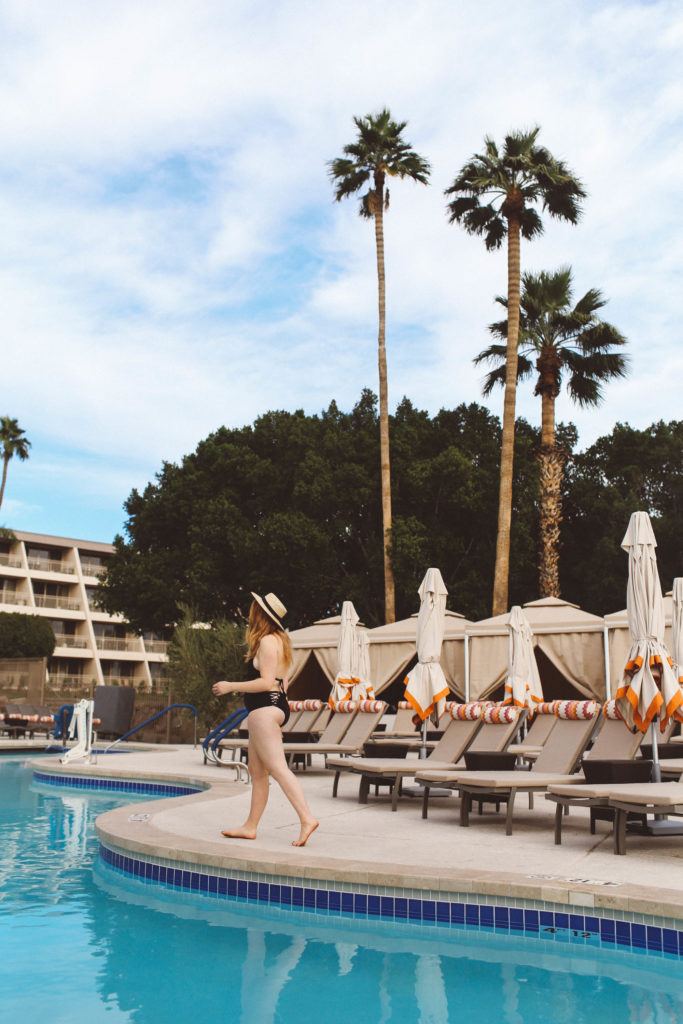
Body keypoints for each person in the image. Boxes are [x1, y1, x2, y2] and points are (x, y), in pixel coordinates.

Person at [212, 591, 319, 847]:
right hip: (270, 708)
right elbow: (284, 684)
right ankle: (250, 826)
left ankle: (307, 818)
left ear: (260, 615)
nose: (251, 612)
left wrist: (230, 686)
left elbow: (267, 682)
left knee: (278, 768)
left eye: (254, 609)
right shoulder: (279, 641)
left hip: (265, 709)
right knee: (257, 772)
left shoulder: (268, 642)